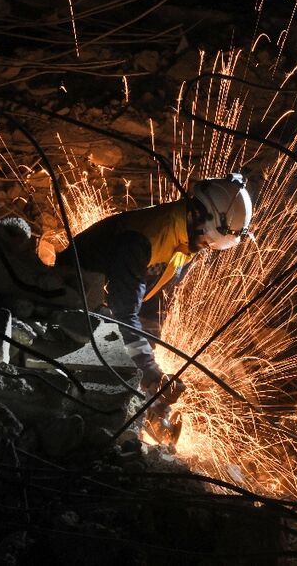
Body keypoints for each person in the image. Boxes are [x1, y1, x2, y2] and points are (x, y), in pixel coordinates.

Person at [56, 173, 253, 440]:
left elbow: (155, 306)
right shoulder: (143, 238)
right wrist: (148, 370)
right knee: (114, 359)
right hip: (66, 302)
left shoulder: (188, 242)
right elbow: (123, 314)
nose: (208, 247)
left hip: (106, 306)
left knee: (131, 358)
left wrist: (151, 376)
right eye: (209, 239)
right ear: (198, 214)